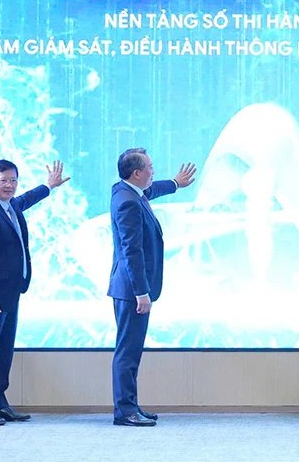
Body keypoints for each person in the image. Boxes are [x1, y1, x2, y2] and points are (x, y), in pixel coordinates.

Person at [0, 159, 69, 426]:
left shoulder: (9, 205)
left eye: (13, 180)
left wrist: (49, 186)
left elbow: (26, 199)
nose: (9, 186)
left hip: (10, 293)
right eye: (3, 181)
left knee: (3, 353)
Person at [109, 148, 195, 427]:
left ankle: (130, 405)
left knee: (132, 350)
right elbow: (131, 251)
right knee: (128, 351)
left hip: (131, 288)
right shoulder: (128, 203)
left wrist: (176, 183)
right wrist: (141, 292)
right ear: (137, 173)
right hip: (131, 291)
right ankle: (125, 411)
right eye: (150, 167)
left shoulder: (127, 191)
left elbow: (151, 190)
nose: (153, 171)